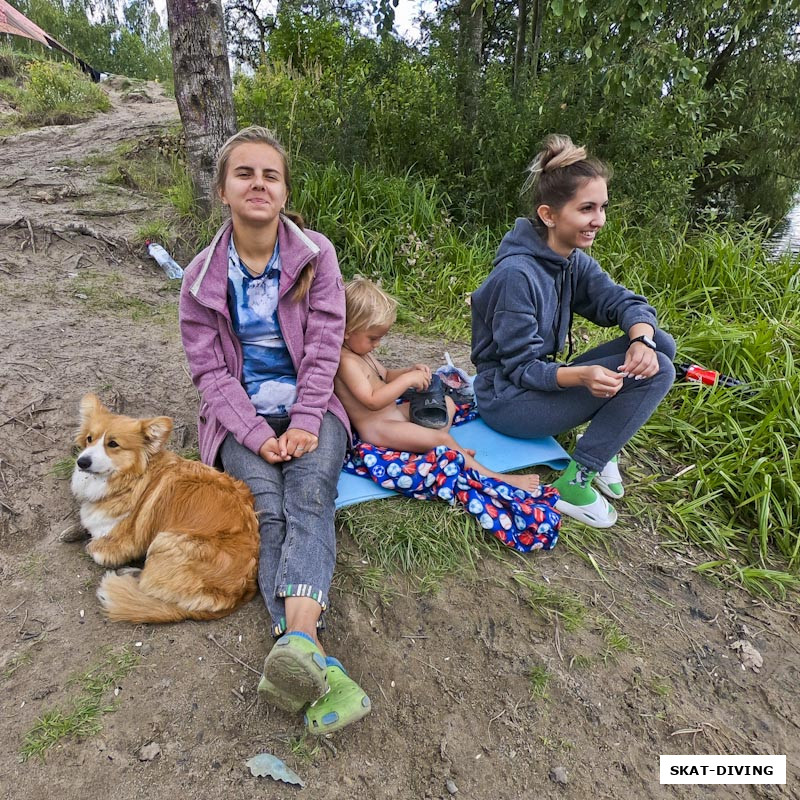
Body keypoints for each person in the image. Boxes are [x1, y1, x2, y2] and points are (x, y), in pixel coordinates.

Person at [179, 126, 370, 736]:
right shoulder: (199, 278)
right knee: (266, 509)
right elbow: (209, 374)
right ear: (223, 190)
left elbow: (323, 350)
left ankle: (297, 645)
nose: (258, 183)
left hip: (314, 410)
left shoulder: (317, 256)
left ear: (285, 191)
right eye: (245, 174)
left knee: (310, 495)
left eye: (271, 175)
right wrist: (256, 433)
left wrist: (308, 420)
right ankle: (310, 651)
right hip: (241, 418)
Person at [470, 134, 676, 528]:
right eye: (586, 209)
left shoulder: (570, 261)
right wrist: (582, 376)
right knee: (661, 371)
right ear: (549, 215)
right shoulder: (518, 275)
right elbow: (521, 369)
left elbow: (624, 301)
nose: (598, 219)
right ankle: (575, 482)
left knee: (659, 344)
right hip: (508, 402)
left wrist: (643, 339)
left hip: (537, 385)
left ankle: (603, 444)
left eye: (602, 208)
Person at [335, 277, 540, 494]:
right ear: (348, 330)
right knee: (441, 437)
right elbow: (372, 400)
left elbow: (384, 375)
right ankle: (497, 478)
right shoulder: (346, 362)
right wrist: (407, 381)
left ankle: (442, 448)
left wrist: (408, 371)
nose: (377, 345)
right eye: (373, 338)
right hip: (379, 428)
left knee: (448, 403)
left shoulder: (360, 351)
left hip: (392, 413)